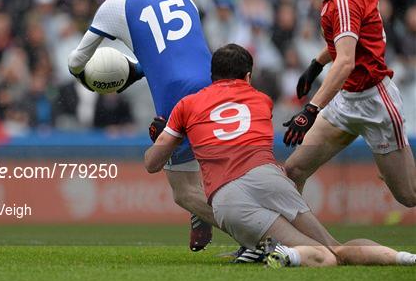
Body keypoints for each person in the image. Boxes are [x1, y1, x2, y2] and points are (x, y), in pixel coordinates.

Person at [144, 43, 416, 268]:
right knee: (336, 249)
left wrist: (161, 136)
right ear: (248, 77)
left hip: (226, 196)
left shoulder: (186, 105)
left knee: (323, 258)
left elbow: (152, 164)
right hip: (268, 177)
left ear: (212, 74)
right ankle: (407, 258)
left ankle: (286, 253)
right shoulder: (262, 100)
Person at [68, 0, 215, 251]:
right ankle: (211, 215)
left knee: (184, 192)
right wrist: (136, 70)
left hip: (175, 97)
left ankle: (260, 239)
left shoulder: (116, 2)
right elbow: (178, 50)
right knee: (218, 170)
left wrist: (92, 81)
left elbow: (75, 62)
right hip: (213, 84)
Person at [283, 0, 416, 207]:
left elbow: (346, 61)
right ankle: (293, 247)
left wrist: (311, 109)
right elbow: (350, 42)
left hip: (374, 102)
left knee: (408, 196)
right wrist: (316, 64)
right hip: (346, 100)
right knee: (294, 170)